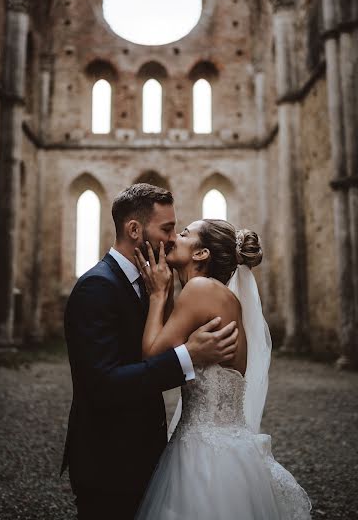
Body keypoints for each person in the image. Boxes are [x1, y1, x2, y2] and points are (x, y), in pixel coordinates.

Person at [61, 185, 239, 520]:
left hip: (149, 456)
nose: (173, 238)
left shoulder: (154, 284)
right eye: (168, 229)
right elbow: (102, 384)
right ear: (134, 230)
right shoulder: (96, 287)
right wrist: (190, 355)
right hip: (109, 461)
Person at [134, 219, 312, 520]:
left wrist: (156, 294)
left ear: (201, 254)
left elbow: (151, 357)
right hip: (228, 448)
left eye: (185, 234)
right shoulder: (218, 296)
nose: (175, 237)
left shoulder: (201, 290)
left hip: (204, 457)